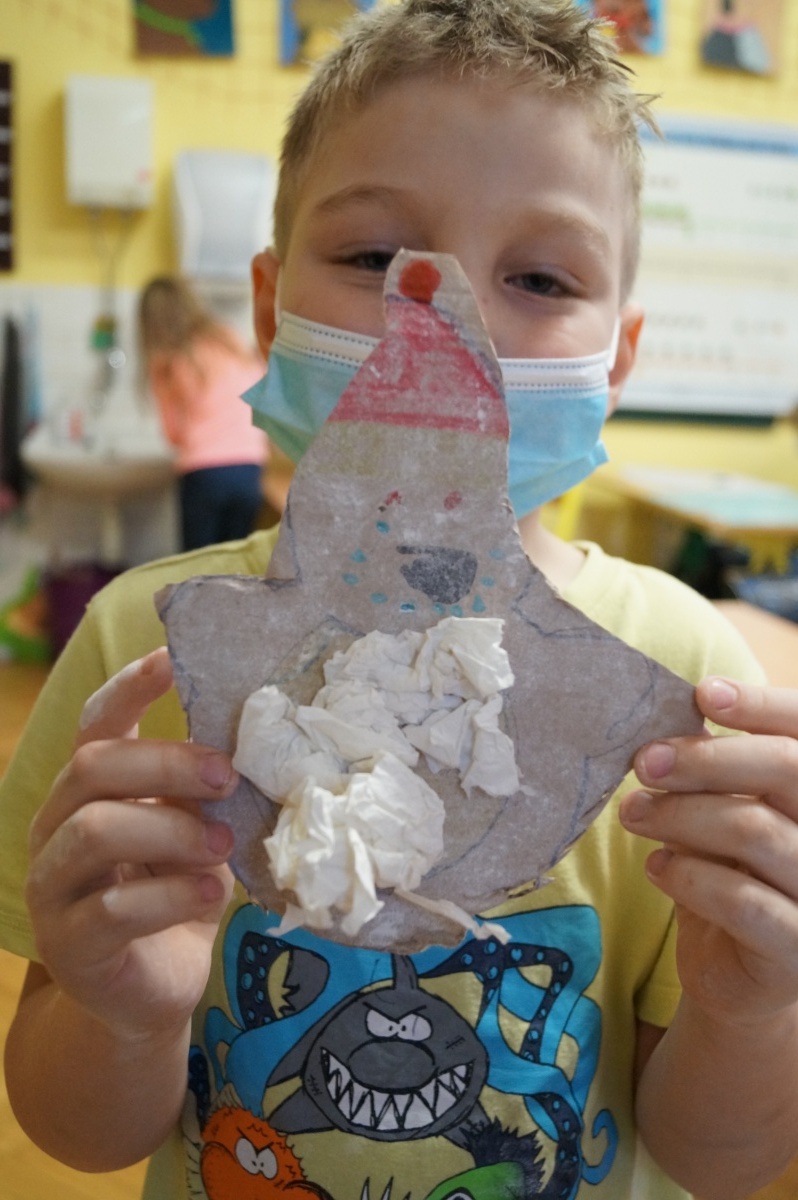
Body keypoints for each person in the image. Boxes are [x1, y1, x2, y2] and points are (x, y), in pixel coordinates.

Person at [2, 3, 798, 1198]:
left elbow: (723, 1164)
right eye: (376, 259)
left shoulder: (684, 678)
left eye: (541, 277)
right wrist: (121, 1016)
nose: (447, 317)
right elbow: (74, 1133)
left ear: (616, 362)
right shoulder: (143, 653)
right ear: (270, 306)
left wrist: (748, 1012)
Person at [138, 275, 269, 551]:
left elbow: (173, 433)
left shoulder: (167, 361)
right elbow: (258, 386)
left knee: (197, 566)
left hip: (204, 474)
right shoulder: (227, 338)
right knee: (233, 563)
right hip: (249, 469)